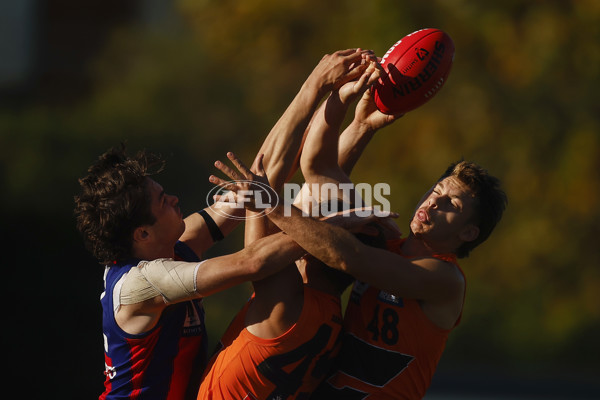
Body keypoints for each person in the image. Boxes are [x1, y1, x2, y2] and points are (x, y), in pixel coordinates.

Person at [74, 48, 372, 400]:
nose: (173, 201)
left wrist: (318, 88)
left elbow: (260, 179)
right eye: (162, 200)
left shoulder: (172, 246)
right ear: (143, 233)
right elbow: (252, 263)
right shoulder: (141, 284)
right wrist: (330, 227)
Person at [210, 95, 507, 399]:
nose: (434, 200)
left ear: (469, 233)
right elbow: (318, 169)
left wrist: (271, 204)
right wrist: (360, 123)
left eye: (451, 204)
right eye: (437, 190)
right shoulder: (384, 237)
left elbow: (347, 256)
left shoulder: (446, 279)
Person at [197, 57, 391, 399]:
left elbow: (265, 177)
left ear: (316, 252)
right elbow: (321, 176)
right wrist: (360, 124)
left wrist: (318, 85)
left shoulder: (286, 301)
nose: (299, 209)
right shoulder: (326, 312)